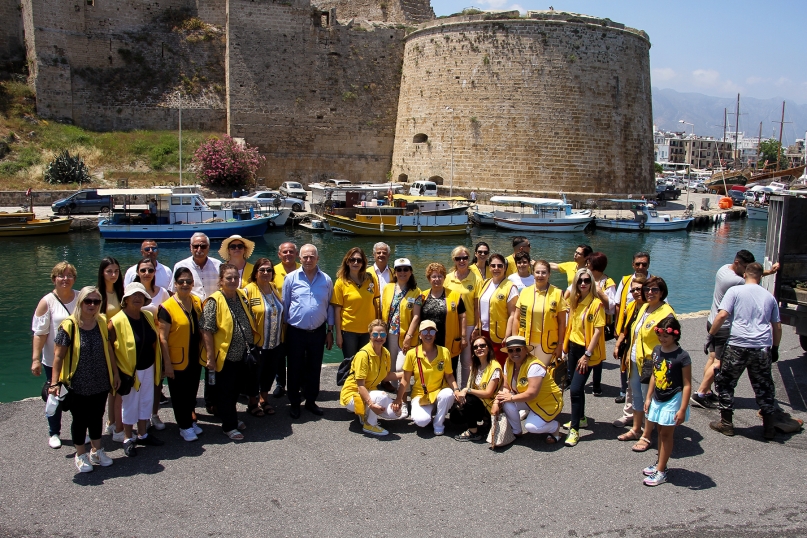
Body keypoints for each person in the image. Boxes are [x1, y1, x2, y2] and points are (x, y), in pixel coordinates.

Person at [692, 250, 778, 409]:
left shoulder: (723, 269)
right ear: (738, 264)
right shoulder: (735, 281)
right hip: (723, 326)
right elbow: (752, 278)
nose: (746, 271)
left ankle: (708, 391)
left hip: (712, 322)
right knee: (719, 362)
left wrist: (769, 271)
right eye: (745, 267)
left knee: (712, 359)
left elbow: (752, 274)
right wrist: (768, 273)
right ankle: (701, 393)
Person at [48, 286, 120, 473]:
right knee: (79, 419)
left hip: (100, 380)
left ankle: (97, 450)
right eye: (88, 301)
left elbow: (110, 349)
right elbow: (58, 356)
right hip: (77, 382)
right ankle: (80, 454)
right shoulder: (69, 325)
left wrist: (115, 373)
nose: (92, 305)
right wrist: (55, 382)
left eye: (96, 301)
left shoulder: (102, 322)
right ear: (80, 302)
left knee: (97, 417)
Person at [708, 262, 782, 440]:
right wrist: (776, 348)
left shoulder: (735, 291)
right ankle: (769, 427)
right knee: (764, 386)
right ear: (760, 276)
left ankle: (726, 423)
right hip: (761, 346)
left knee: (726, 382)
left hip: (738, 344)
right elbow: (777, 326)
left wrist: (711, 335)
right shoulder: (769, 297)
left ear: (745, 275)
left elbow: (722, 315)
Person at [201, 264, 258, 440]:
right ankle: (229, 425)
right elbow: (206, 330)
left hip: (241, 354)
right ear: (221, 281)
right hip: (224, 356)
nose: (233, 281)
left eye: (235, 278)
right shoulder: (214, 300)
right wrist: (210, 356)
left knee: (235, 390)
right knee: (225, 391)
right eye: (229, 278)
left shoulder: (241, 296)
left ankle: (231, 416)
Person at [620, 276, 676, 453]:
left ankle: (647, 434)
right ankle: (636, 429)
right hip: (636, 359)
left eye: (654, 290)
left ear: (662, 292)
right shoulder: (644, 307)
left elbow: (670, 340)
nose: (649, 293)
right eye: (647, 290)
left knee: (648, 399)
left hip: (652, 362)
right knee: (637, 395)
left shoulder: (666, 312)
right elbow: (635, 334)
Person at [108, 283, 164, 456]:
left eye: (141, 295)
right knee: (130, 404)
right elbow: (109, 347)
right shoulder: (116, 321)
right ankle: (127, 437)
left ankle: (143, 433)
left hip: (148, 366)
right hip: (129, 371)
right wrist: (115, 373)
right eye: (134, 295)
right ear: (126, 299)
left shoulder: (147, 315)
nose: (138, 298)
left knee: (146, 400)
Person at [282, 244, 334, 419]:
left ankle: (311, 401)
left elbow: (329, 307)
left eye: (312, 256)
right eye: (305, 257)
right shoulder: (290, 279)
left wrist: (330, 330)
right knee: (294, 368)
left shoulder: (326, 279)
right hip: (296, 332)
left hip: (318, 332)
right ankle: (295, 403)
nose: (309, 260)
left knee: (314, 368)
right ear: (300, 258)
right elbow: (285, 305)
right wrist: (284, 331)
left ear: (317, 258)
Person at [32, 262, 79, 449]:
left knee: (78, 397)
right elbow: (40, 332)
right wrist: (36, 359)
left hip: (76, 359)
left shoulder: (81, 298)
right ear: (54, 279)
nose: (65, 279)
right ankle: (54, 432)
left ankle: (79, 430)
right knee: (55, 395)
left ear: (74, 278)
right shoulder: (47, 301)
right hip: (54, 359)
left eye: (69, 275)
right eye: (61, 275)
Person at [642, 317, 691, 486]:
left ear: (675, 336)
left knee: (666, 434)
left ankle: (662, 471)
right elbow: (655, 376)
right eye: (660, 335)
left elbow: (687, 384)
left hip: (673, 397)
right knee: (660, 429)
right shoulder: (656, 350)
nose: (662, 339)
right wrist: (648, 397)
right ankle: (660, 462)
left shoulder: (682, 356)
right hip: (658, 396)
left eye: (666, 336)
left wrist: (683, 409)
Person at [158, 267, 204, 442]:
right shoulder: (167, 307)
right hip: (176, 358)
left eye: (189, 281)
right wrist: (167, 364)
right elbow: (162, 338)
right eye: (181, 281)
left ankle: (189, 422)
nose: (185, 284)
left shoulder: (196, 302)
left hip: (193, 355)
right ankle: (184, 426)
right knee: (178, 394)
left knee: (191, 391)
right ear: (175, 284)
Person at [339, 320, 408, 436]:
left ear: (386, 335)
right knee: (381, 396)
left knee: (397, 413)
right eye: (375, 334)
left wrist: (406, 373)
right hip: (353, 394)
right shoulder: (363, 355)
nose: (379, 337)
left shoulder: (385, 353)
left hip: (371, 392)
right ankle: (370, 424)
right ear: (370, 335)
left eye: (383, 334)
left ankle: (364, 414)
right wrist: (371, 405)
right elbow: (360, 385)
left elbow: (385, 376)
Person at [562, 268, 605, 447]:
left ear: (591, 283)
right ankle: (581, 418)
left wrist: (587, 354)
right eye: (580, 281)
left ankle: (574, 430)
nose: (583, 284)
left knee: (575, 389)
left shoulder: (596, 304)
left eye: (587, 280)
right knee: (575, 386)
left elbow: (597, 331)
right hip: (573, 348)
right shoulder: (575, 301)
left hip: (586, 352)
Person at [397, 320, 462, 435]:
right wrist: (399, 399)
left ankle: (438, 422)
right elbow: (405, 379)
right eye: (425, 331)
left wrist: (456, 390)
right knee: (422, 421)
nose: (428, 334)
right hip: (420, 394)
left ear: (435, 335)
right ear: (420, 335)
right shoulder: (412, 353)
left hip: (439, 392)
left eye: (432, 331)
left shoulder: (444, 351)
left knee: (448, 394)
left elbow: (449, 375)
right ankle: (433, 409)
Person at [495, 335, 563, 442]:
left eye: (518, 349)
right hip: (527, 399)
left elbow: (532, 393)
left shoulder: (534, 366)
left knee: (532, 427)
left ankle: (555, 427)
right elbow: (506, 387)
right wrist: (497, 401)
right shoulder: (508, 362)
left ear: (526, 350)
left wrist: (511, 398)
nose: (514, 353)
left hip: (546, 401)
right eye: (510, 350)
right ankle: (516, 432)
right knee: (505, 401)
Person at [133, 257, 171, 431]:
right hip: (135, 344)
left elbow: (165, 317)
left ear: (155, 272)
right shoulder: (131, 291)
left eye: (150, 270)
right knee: (137, 382)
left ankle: (153, 414)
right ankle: (137, 417)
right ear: (137, 272)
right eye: (143, 270)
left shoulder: (162, 292)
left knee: (157, 381)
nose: (147, 273)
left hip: (155, 343)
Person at [243, 258, 284, 417]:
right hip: (257, 343)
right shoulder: (248, 290)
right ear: (255, 273)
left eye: (269, 270)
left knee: (270, 372)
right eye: (262, 270)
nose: (266, 273)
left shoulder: (274, 288)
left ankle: (264, 399)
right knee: (254, 374)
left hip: (275, 341)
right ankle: (252, 403)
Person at [613, 251, 652, 408]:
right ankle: (624, 390)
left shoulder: (654, 282)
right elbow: (617, 304)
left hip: (645, 332)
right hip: (626, 328)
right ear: (633, 265)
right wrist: (617, 327)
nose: (641, 267)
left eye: (644, 264)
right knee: (624, 360)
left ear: (648, 264)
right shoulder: (625, 281)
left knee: (641, 364)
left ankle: (642, 397)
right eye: (638, 264)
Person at [512, 260, 567, 367]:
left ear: (549, 274)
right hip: (526, 342)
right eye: (537, 272)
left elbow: (562, 322)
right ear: (533, 273)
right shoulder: (525, 292)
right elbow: (517, 318)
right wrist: (515, 339)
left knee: (543, 374)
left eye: (544, 272)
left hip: (547, 343)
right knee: (525, 373)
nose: (540, 275)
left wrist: (560, 345)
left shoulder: (557, 293)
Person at [332, 247, 381, 360]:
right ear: (347, 261)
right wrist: (338, 335)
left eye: (359, 260)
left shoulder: (371, 279)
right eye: (352, 259)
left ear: (363, 263)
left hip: (369, 330)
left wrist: (378, 326)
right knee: (350, 363)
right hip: (349, 332)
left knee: (366, 362)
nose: (355, 262)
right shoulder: (341, 282)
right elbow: (337, 311)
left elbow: (376, 303)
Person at [611, 275, 647, 428]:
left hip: (646, 355)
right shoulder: (632, 306)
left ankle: (645, 421)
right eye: (633, 290)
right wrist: (618, 344)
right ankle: (629, 415)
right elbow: (626, 329)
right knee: (631, 386)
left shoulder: (653, 308)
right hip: (631, 351)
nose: (635, 292)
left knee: (645, 389)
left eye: (639, 289)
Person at [420, 262, 467, 376]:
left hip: (449, 339)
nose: (437, 279)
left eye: (440, 276)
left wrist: (464, 337)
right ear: (428, 279)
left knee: (450, 370)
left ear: (444, 278)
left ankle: (452, 391)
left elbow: (463, 316)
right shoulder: (423, 296)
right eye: (434, 276)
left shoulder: (455, 295)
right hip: (429, 338)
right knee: (430, 369)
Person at [451, 336, 501, 441]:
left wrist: (466, 390)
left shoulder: (494, 367)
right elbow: (470, 386)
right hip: (480, 403)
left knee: (468, 399)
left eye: (482, 345)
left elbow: (488, 393)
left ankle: (473, 432)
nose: (479, 348)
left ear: (489, 348)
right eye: (475, 347)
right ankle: (486, 423)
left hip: (491, 404)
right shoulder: (475, 366)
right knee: (455, 416)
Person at [445, 245, 481, 386]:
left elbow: (478, 306)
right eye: (458, 258)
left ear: (468, 259)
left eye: (465, 258)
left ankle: (465, 389)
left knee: (466, 361)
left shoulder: (476, 279)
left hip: (470, 324)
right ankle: (450, 388)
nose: (462, 261)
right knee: (450, 358)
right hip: (451, 323)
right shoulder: (447, 279)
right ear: (454, 260)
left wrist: (478, 326)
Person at [381, 257, 422, 373]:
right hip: (389, 333)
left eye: (405, 269)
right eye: (399, 270)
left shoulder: (416, 291)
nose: (402, 272)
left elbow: (416, 316)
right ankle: (396, 390)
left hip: (406, 334)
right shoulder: (387, 288)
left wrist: (409, 336)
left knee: (402, 367)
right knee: (391, 365)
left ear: (410, 272)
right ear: (395, 272)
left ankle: (405, 390)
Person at [97, 256, 123, 439]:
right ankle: (109, 422)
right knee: (108, 385)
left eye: (116, 271)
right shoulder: (97, 295)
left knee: (117, 385)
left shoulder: (121, 292)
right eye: (109, 271)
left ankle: (113, 422)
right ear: (102, 273)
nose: (113, 274)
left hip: (119, 344)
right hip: (103, 344)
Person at [477, 253, 519, 364]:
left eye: (500, 266)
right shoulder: (485, 283)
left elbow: (513, 314)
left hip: (499, 334)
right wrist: (477, 327)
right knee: (486, 364)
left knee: (500, 364)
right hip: (483, 332)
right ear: (489, 267)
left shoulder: (510, 287)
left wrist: (508, 335)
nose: (496, 268)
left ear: (505, 268)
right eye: (493, 266)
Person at [585, 251, 616, 397]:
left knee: (597, 353)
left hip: (599, 322)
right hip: (584, 321)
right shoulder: (585, 279)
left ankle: (596, 384)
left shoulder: (608, 283)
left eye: (589, 262)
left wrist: (599, 292)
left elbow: (611, 307)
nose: (586, 264)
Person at [272, 242, 300, 398]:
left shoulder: (304, 269)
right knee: (280, 355)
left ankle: (299, 383)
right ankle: (280, 384)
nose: (288, 254)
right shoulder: (272, 272)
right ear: (279, 254)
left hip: (297, 321)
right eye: (285, 252)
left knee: (298, 355)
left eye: (291, 251)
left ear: (296, 254)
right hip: (278, 322)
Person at [171, 233, 222, 300]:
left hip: (214, 308)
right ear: (190, 247)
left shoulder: (218, 265)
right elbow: (173, 292)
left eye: (203, 246)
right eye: (195, 246)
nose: (199, 249)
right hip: (190, 308)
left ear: (208, 247)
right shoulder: (180, 266)